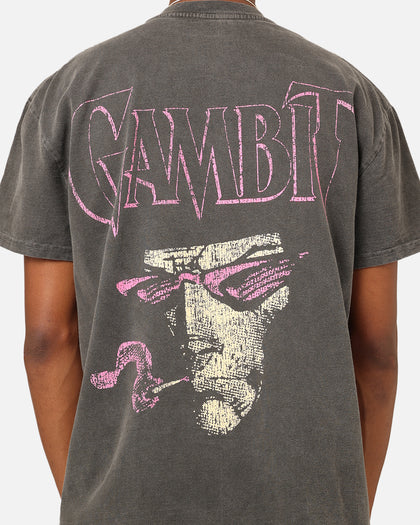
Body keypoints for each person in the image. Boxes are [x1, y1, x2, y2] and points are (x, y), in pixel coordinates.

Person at [0, 0, 419, 523]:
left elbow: (46, 341)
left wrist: (93, 506)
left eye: (244, 281)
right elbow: (376, 348)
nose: (195, 329)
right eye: (159, 288)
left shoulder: (68, 95)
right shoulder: (352, 96)